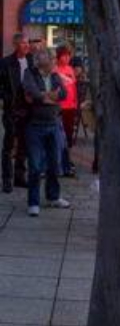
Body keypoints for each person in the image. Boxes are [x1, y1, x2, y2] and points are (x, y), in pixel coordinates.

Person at [22, 49, 72, 216]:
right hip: (35, 126)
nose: (54, 62)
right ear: (41, 61)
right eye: (51, 59)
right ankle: (33, 202)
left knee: (55, 163)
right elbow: (32, 93)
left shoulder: (55, 76)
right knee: (35, 166)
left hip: (53, 124)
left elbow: (63, 94)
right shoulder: (30, 73)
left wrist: (44, 97)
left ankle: (53, 197)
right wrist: (49, 97)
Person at [1, 33, 31, 192]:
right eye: (24, 43)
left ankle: (20, 177)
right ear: (16, 44)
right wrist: (6, 97)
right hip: (12, 109)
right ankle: (6, 179)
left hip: (28, 110)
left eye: (27, 43)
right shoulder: (6, 62)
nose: (27, 46)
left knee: (24, 145)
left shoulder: (32, 61)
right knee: (9, 145)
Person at [53, 46, 79, 177]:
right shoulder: (54, 70)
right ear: (58, 56)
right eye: (64, 55)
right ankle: (57, 162)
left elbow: (73, 87)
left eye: (68, 55)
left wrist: (75, 103)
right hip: (59, 108)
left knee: (68, 136)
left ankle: (67, 161)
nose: (67, 58)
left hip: (70, 107)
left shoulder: (70, 69)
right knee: (58, 136)